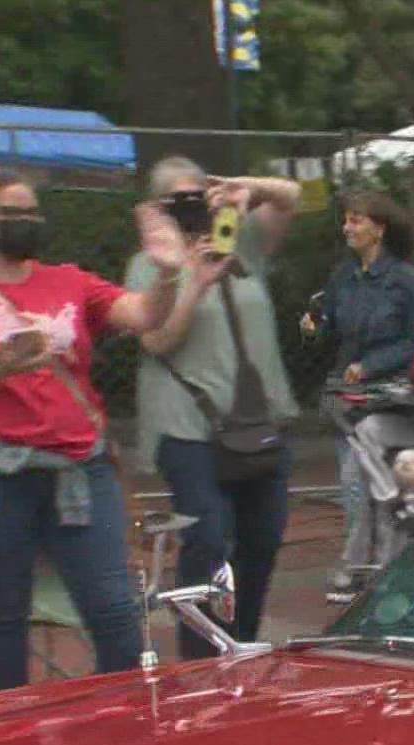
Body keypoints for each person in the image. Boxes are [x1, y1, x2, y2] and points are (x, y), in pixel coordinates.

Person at [0, 166, 189, 690]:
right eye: (15, 213)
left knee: (115, 612)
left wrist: (169, 271)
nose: (29, 223)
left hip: (78, 469)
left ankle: (119, 728)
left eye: (34, 213)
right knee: (1, 616)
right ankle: (10, 738)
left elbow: (146, 316)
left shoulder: (70, 281)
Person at [125, 157, 303, 649]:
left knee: (262, 539)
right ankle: (201, 656)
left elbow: (292, 197)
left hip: (257, 424)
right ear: (160, 208)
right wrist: (194, 283)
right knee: (207, 538)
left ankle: (241, 645)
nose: (193, 209)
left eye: (199, 197)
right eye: (180, 201)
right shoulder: (150, 265)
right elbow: (157, 341)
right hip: (187, 426)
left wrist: (249, 186)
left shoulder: (239, 242)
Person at [304, 190, 414, 604]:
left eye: (357, 220)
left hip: (393, 399)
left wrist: (373, 365)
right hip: (350, 398)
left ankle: (383, 569)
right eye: (346, 219)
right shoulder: (343, 276)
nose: (348, 227)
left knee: (384, 486)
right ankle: (360, 565)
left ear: (379, 228)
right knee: (353, 483)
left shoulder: (405, 280)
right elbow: (331, 330)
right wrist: (314, 327)